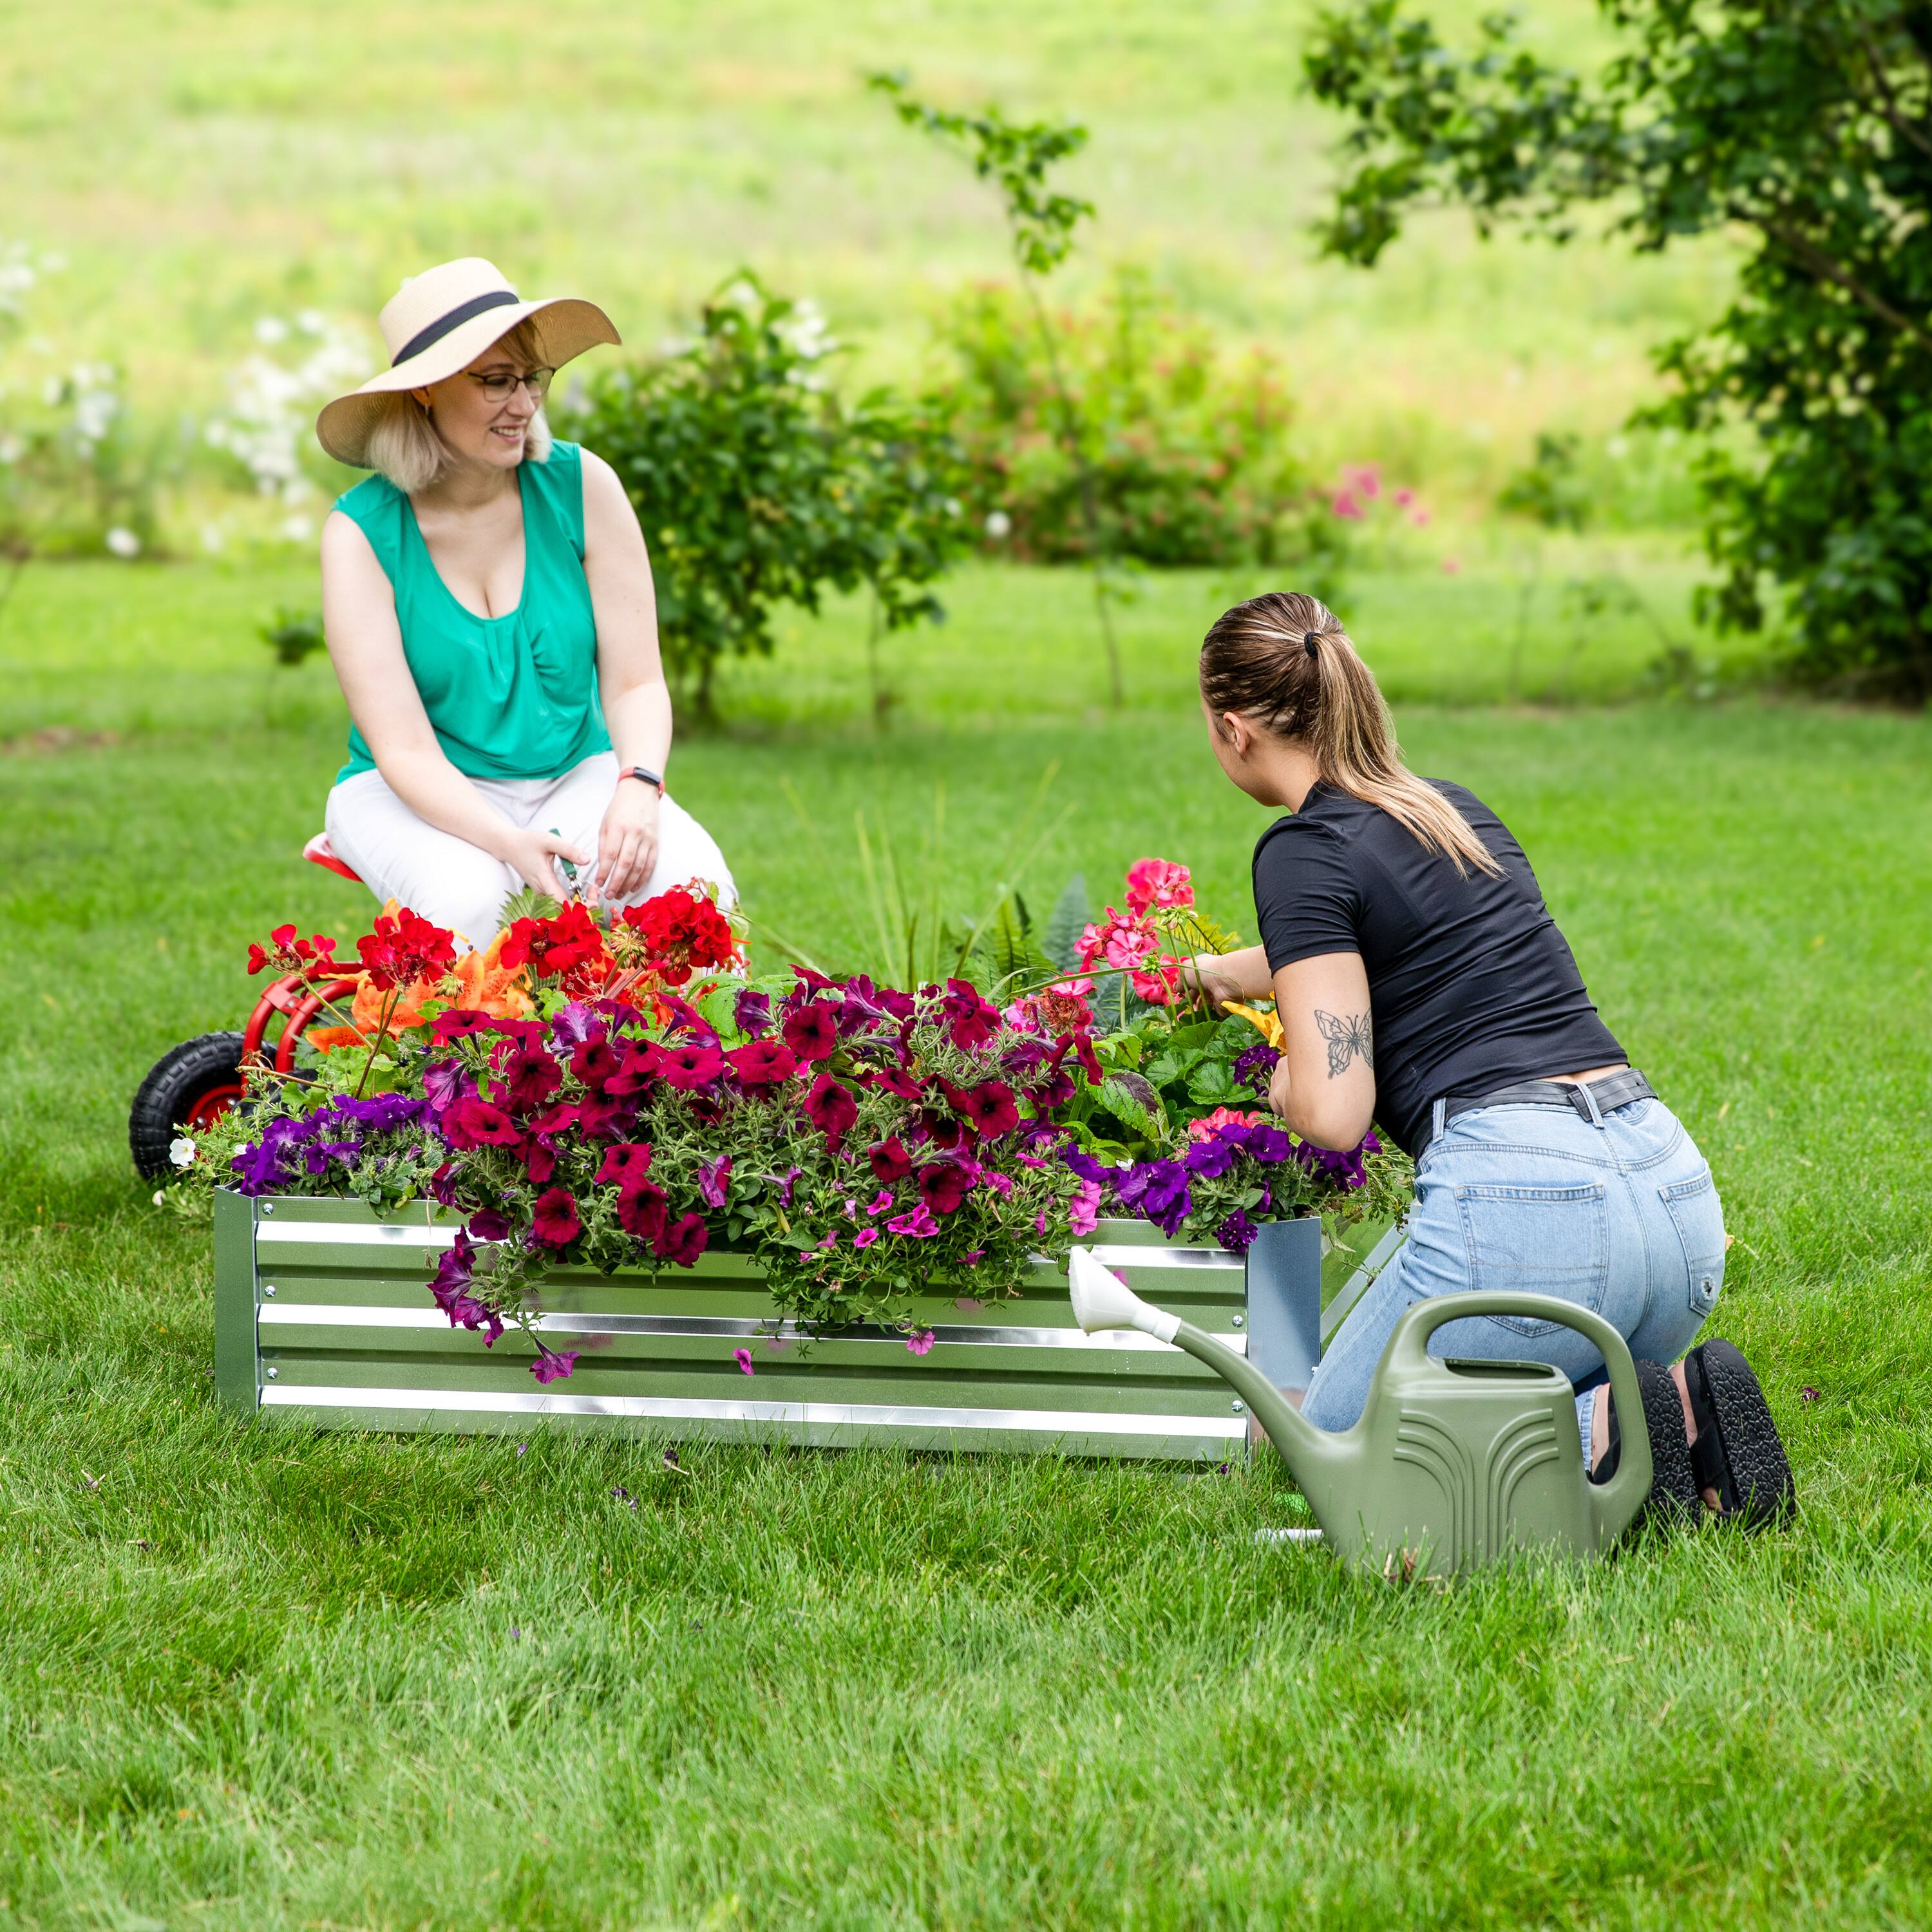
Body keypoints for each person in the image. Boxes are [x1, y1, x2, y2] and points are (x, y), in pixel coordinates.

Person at [1188, 591, 1793, 1524]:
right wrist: (1234, 972)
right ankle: (1659, 1406)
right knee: (1417, 1404)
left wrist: (1285, 1080)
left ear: (1232, 729)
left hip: (1532, 1218)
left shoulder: (1300, 851)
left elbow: (1337, 1111)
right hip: (1671, 1205)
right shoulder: (1446, 810)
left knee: (1323, 1445)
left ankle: (1604, 1428)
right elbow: (1377, 937)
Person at [312, 256, 734, 945]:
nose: (525, 404)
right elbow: (405, 751)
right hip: (410, 792)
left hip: (576, 772)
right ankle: (446, 1056)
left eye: (531, 377)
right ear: (424, 391)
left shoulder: (582, 486)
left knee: (691, 898)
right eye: (496, 382)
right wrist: (507, 844)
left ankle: (683, 1054)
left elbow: (635, 682)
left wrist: (638, 786)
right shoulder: (361, 536)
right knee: (473, 905)